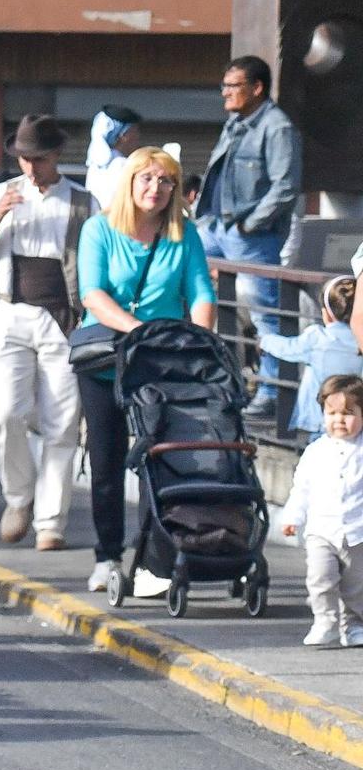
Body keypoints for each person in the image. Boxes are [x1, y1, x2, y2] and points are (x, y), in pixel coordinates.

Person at [77, 146, 217, 591]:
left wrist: (200, 345)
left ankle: (153, 558)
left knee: (162, 457)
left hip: (162, 362)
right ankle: (107, 555)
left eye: (165, 181)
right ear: (130, 182)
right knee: (107, 459)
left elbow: (200, 295)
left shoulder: (183, 233)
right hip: (107, 360)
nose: (155, 189)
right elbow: (93, 295)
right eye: (146, 179)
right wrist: (140, 332)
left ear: (175, 188)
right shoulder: (99, 229)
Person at [0, 115, 98, 551]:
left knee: (62, 423)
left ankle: (50, 522)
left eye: (38, 159)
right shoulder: (2, 194)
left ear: (55, 156)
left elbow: (95, 260)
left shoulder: (83, 201)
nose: (30, 167)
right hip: (11, 311)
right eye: (24, 159)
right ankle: (18, 498)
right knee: (4, 413)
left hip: (63, 317)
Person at [195, 55, 302, 420]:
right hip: (217, 227)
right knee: (187, 284)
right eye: (223, 86)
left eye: (232, 86)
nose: (224, 93)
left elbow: (286, 188)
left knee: (266, 315)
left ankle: (272, 392)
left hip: (251, 235)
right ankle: (215, 379)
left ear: (256, 88)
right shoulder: (235, 122)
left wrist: (249, 225)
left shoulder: (277, 127)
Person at [278, 375, 363, 648]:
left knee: (356, 587)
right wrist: (292, 517)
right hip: (321, 531)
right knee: (320, 578)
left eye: (348, 413)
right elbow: (301, 489)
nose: (339, 420)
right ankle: (325, 621)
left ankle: (353, 626)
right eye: (332, 413)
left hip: (358, 532)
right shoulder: (315, 452)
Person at [259, 277, 363, 437]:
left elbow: (288, 349)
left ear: (326, 314)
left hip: (321, 418)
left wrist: (265, 341)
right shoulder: (359, 340)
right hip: (356, 418)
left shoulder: (317, 337)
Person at [84, 104, 143, 210]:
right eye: (135, 131)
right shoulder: (124, 165)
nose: (138, 136)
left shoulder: (95, 166)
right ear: (123, 135)